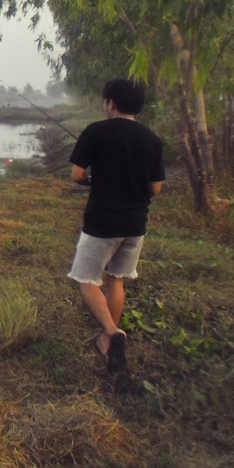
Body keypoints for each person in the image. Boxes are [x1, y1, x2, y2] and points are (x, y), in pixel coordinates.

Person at [68, 79, 165, 373]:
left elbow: (76, 175)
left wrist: (91, 181)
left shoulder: (95, 132)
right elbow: (156, 188)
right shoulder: (152, 139)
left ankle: (112, 332)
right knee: (116, 280)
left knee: (85, 279)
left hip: (102, 222)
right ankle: (107, 341)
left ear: (110, 102)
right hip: (135, 224)